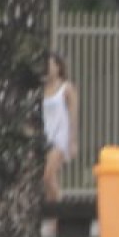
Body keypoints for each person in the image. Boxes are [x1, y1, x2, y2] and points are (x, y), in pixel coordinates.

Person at [40, 51, 79, 207]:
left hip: (60, 136)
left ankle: (60, 207)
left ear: (58, 67)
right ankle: (54, 211)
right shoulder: (43, 88)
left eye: (50, 65)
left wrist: (72, 140)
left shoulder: (66, 88)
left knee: (48, 175)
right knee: (48, 180)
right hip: (46, 136)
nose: (48, 69)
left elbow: (73, 115)